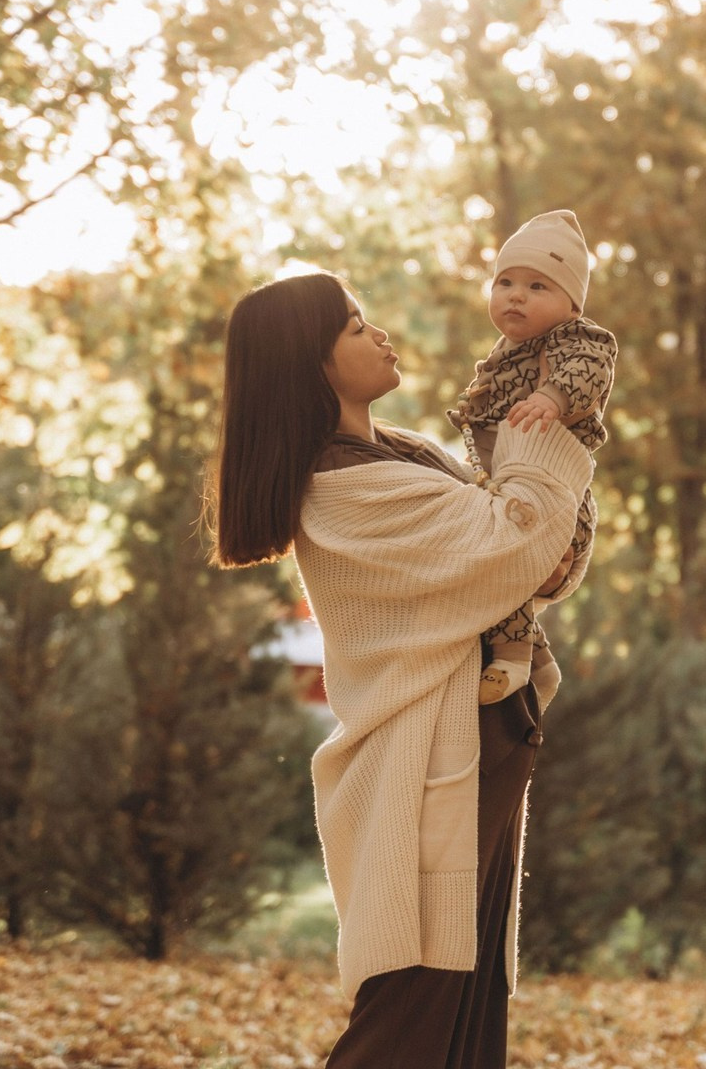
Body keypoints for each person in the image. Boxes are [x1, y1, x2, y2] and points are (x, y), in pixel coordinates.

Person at [207, 270, 593, 1069]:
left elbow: (543, 558)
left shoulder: (398, 454)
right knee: (411, 1018)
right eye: (353, 327)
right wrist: (550, 415)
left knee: (463, 1013)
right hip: (430, 766)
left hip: (485, 741)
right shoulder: (346, 486)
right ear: (308, 364)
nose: (378, 334)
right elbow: (516, 538)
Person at [448, 210, 616, 705]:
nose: (516, 295)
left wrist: (553, 398)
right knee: (497, 577)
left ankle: (514, 661)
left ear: (571, 305)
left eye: (538, 286)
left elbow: (589, 370)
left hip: (559, 499)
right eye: (505, 282)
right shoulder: (505, 352)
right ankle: (540, 665)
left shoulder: (575, 339)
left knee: (502, 566)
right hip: (513, 489)